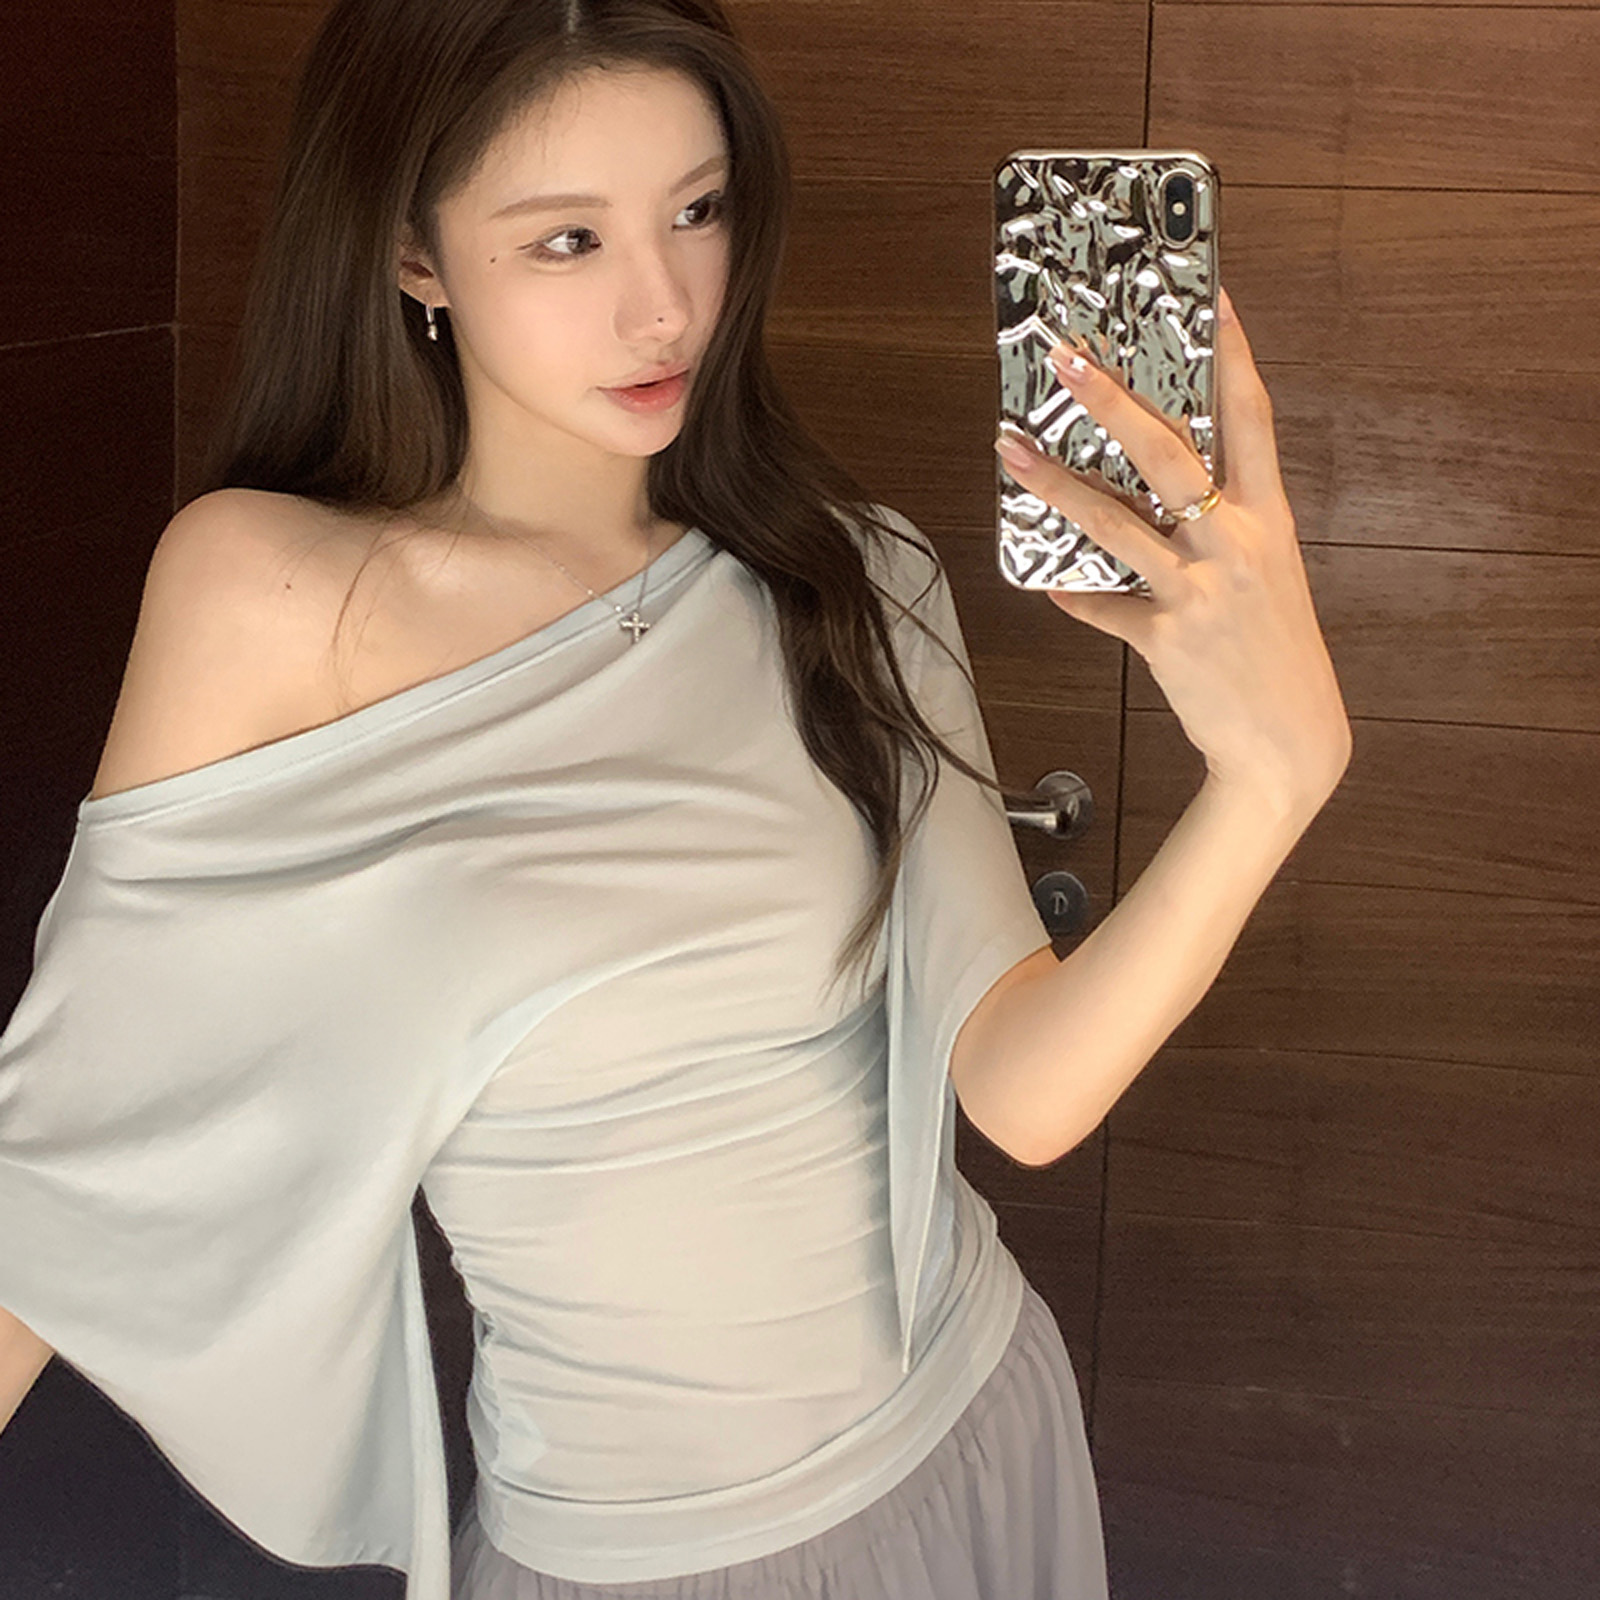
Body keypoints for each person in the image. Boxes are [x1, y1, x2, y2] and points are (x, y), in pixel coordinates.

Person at [0, 1, 1352, 1597]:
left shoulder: (854, 576)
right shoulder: (273, 594)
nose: (664, 307)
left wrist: (1274, 777)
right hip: (632, 1556)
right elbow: (60, 1164)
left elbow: (1026, 1092)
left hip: (979, 1431)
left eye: (698, 210)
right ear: (415, 253)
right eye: (568, 239)